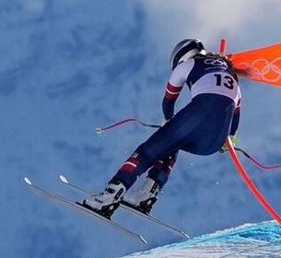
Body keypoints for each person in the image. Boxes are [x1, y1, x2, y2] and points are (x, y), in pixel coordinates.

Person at [83, 38, 241, 217]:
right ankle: (147, 194)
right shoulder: (231, 73)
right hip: (213, 143)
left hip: (198, 116)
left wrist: (168, 122)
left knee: (146, 153)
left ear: (182, 56)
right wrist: (229, 141)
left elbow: (169, 100)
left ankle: (109, 196)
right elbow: (235, 116)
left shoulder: (188, 64)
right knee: (171, 144)